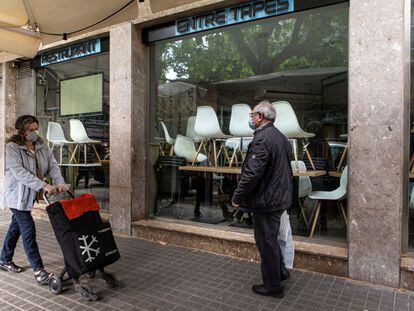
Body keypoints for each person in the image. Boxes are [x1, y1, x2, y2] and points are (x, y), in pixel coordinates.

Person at [232, 101, 293, 298]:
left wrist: (237, 196)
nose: (250, 119)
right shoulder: (280, 136)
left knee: (266, 243)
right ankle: (281, 271)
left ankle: (273, 287)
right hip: (278, 198)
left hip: (267, 201)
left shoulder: (262, 139)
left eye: (252, 115)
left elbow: (252, 173)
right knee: (271, 239)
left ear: (260, 117)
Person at [0, 115, 67, 285]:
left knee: (16, 227)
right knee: (28, 229)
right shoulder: (12, 147)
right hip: (16, 194)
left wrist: (59, 182)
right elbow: (20, 173)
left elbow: (52, 166)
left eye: (36, 129)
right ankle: (39, 271)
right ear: (21, 130)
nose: (34, 133)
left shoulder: (41, 145)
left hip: (29, 194)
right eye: (30, 130)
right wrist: (44, 186)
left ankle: (4, 260)